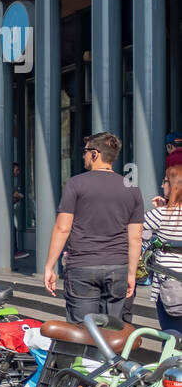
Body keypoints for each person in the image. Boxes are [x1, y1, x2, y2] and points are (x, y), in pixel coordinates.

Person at [43, 132, 144, 323]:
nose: (83, 155)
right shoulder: (132, 187)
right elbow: (135, 238)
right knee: (113, 332)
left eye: (86, 151)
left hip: (82, 266)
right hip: (118, 267)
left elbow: (62, 229)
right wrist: (131, 273)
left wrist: (49, 266)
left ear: (95, 154)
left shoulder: (76, 184)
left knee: (82, 332)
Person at [144, 165, 182, 334]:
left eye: (165, 181)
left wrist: (159, 208)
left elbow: (136, 231)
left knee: (172, 336)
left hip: (170, 285)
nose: (162, 185)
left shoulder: (160, 214)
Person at [12, 163, 30, 260]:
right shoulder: (9, 180)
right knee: (12, 229)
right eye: (17, 169)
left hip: (8, 210)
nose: (18, 172)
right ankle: (14, 252)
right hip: (3, 212)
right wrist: (17, 197)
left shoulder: (13, 180)